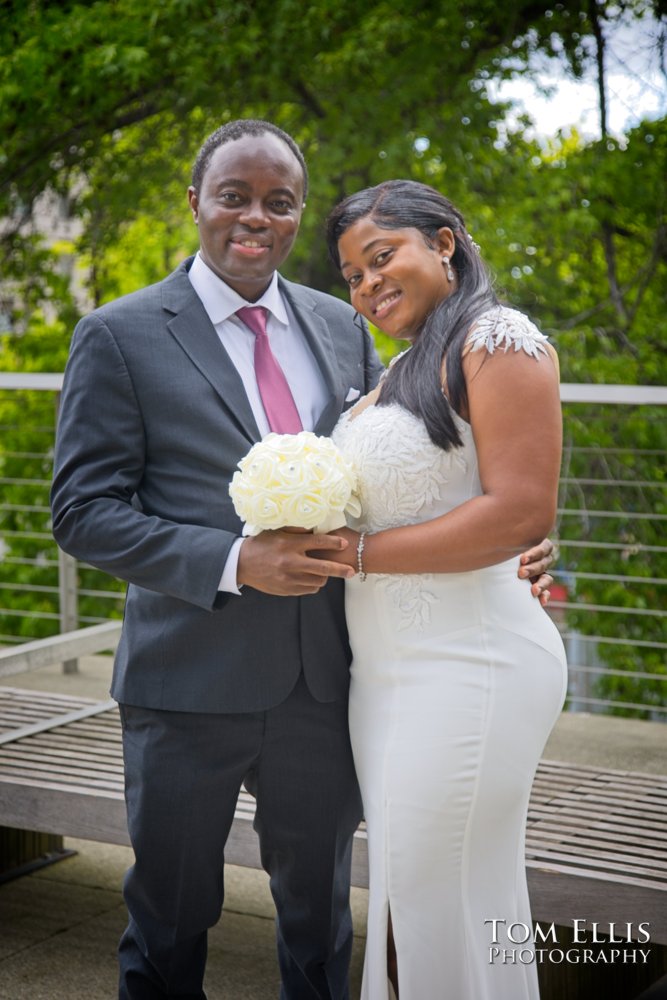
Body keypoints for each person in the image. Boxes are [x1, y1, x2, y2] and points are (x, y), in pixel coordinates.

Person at [50, 121, 555, 1000]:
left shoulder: (345, 324)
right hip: (185, 682)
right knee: (168, 920)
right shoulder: (117, 334)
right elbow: (83, 513)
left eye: (278, 203)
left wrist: (518, 540)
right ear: (197, 204)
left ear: (295, 215)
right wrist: (231, 560)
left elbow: (424, 466)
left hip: (329, 684)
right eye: (234, 196)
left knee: (322, 925)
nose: (256, 217)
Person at [325, 180, 568, 1000]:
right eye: (351, 275)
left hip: (472, 664)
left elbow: (520, 509)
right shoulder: (404, 365)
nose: (367, 285)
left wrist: (355, 552)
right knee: (410, 896)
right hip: (384, 678)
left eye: (380, 256)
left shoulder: (498, 339)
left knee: (431, 893)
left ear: (445, 243)